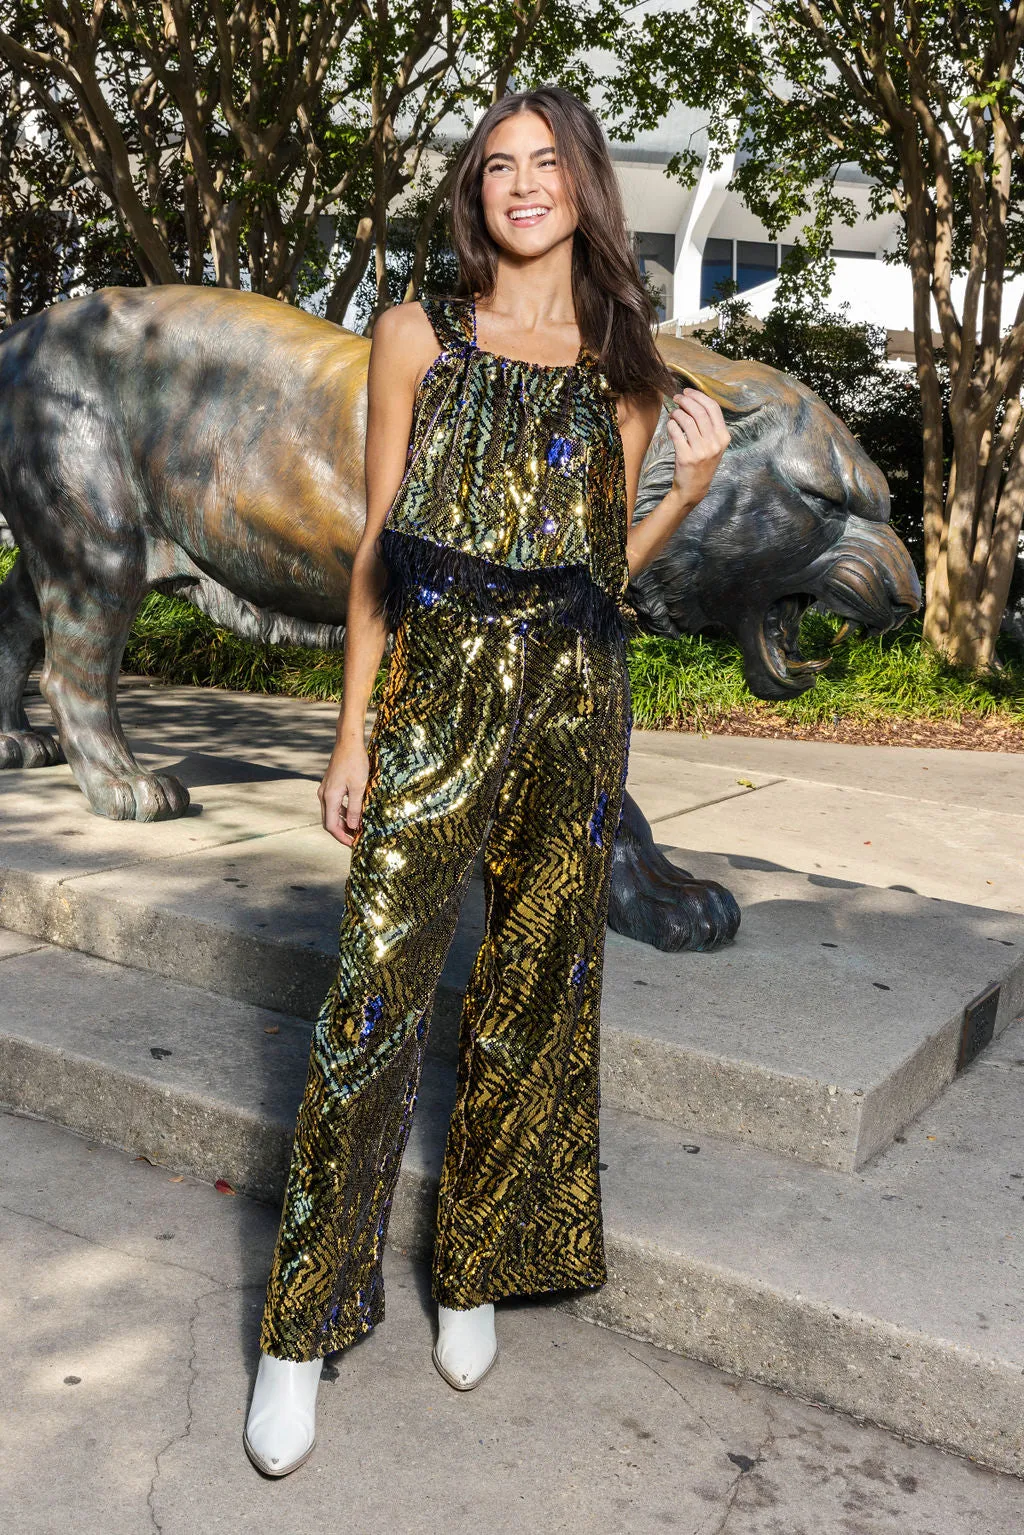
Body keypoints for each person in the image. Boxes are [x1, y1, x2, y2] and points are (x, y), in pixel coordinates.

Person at [243, 83, 729, 1478]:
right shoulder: (418, 336)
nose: (523, 184)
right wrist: (353, 734)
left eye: (545, 162)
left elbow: (600, 580)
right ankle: (300, 1327)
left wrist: (681, 495)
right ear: (481, 193)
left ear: (583, 183)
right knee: (371, 1000)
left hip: (572, 705)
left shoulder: (627, 373)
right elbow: (376, 552)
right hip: (437, 693)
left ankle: (474, 1271)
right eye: (499, 166)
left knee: (535, 993)